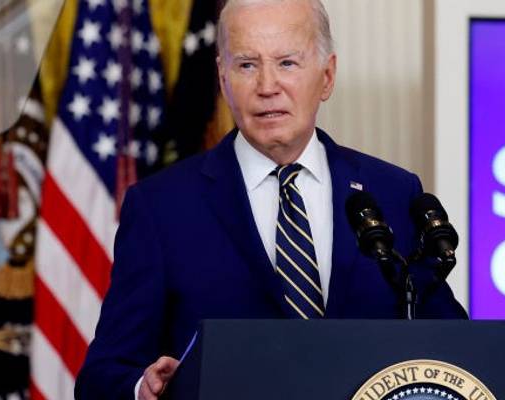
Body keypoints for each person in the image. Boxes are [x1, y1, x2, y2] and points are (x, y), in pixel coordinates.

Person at [73, 0, 468, 398]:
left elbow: (456, 352)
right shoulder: (161, 208)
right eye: (246, 64)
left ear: (327, 76)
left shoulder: (394, 193)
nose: (267, 86)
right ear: (223, 78)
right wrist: (143, 388)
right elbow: (102, 377)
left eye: (287, 63)